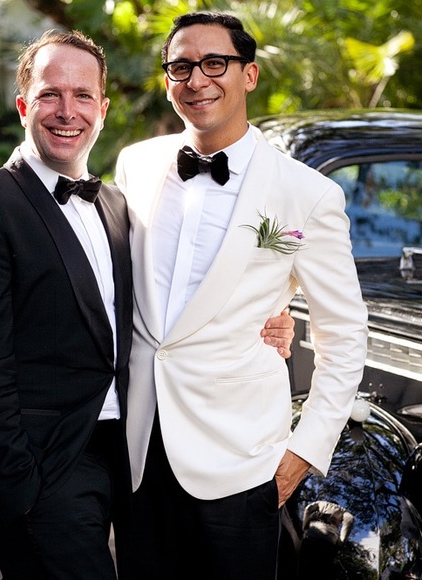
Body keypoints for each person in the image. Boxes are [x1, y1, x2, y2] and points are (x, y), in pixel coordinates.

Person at [0, 27, 294, 580]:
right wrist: (15, 485)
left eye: (83, 96)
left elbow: (171, 300)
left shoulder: (118, 205)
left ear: (102, 110)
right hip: (41, 463)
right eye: (50, 94)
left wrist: (270, 317)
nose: (67, 111)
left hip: (124, 453)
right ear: (24, 106)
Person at [114, 11, 368, 580]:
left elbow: (345, 335)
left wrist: (303, 452)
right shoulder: (136, 164)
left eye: (215, 63)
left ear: (248, 75)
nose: (197, 79)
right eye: (181, 66)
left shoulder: (307, 194)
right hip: (138, 455)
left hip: (243, 465)